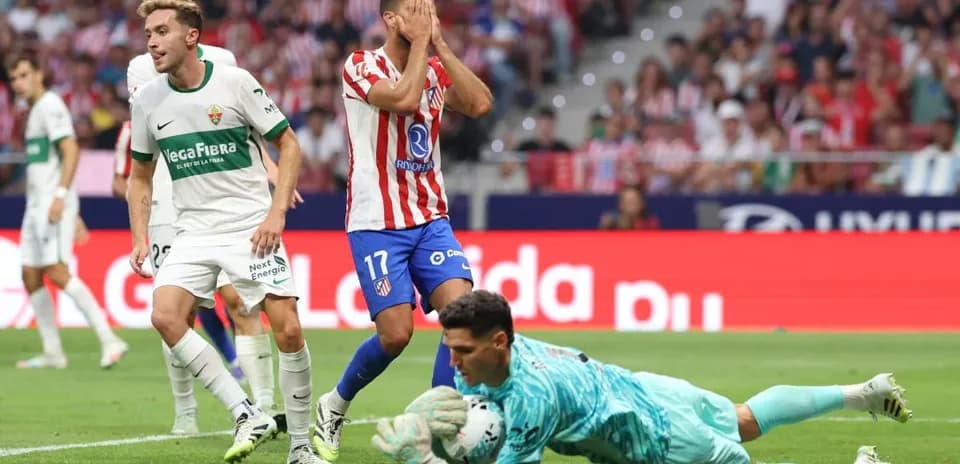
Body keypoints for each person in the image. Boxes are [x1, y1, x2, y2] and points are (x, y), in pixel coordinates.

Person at [373, 290, 912, 464]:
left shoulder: (533, 396)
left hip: (657, 438)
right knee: (746, 419)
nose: (455, 363)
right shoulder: (487, 363)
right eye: (450, 350)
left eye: (463, 350)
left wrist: (424, 456)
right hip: (649, 389)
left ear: (498, 343)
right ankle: (860, 394)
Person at [126, 1, 321, 462]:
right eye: (148, 33)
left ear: (191, 37)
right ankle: (245, 411)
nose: (151, 41)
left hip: (249, 227)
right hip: (194, 231)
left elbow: (288, 145)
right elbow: (139, 173)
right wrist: (139, 236)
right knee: (165, 316)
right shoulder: (148, 101)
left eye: (161, 31)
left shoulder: (235, 83)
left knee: (288, 331)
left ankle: (299, 447)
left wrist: (275, 214)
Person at [312, 0, 493, 461]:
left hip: (430, 217)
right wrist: (420, 51)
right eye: (417, 8)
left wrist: (440, 46)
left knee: (462, 315)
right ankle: (334, 405)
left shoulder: (433, 66)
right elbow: (404, 98)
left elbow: (479, 103)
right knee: (395, 335)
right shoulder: (359, 65)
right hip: (376, 222)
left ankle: (438, 426)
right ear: (391, 19)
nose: (427, 15)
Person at [7, 53, 129, 370]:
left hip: (51, 203)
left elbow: (71, 148)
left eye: (23, 75)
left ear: (38, 73)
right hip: (37, 205)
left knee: (57, 271)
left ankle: (109, 339)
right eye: (14, 78)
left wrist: (63, 198)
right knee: (30, 274)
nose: (18, 83)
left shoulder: (50, 106)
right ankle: (52, 352)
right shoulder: (34, 110)